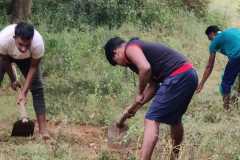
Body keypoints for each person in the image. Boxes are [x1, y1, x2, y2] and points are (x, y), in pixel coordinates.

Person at [104, 37, 198, 160]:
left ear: (116, 52)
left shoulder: (130, 48)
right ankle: (174, 157)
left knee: (151, 120)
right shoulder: (135, 60)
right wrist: (135, 107)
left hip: (177, 76)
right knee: (175, 120)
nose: (120, 65)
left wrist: (139, 92)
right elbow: (153, 86)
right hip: (190, 75)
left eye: (116, 62)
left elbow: (145, 68)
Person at [0, 22, 49, 138]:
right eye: (21, 44)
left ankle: (43, 130)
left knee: (37, 88)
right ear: (14, 38)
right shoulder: (3, 39)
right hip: (5, 56)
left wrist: (24, 91)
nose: (23, 48)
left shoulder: (38, 44)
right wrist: (13, 80)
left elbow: (33, 67)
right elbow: (5, 60)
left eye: (27, 45)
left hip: (28, 60)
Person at [197, 25, 240, 110]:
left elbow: (209, 66)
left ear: (212, 33)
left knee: (225, 84)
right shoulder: (233, 30)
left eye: (210, 38)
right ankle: (236, 105)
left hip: (237, 56)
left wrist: (201, 83)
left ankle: (227, 110)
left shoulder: (215, 41)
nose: (211, 41)